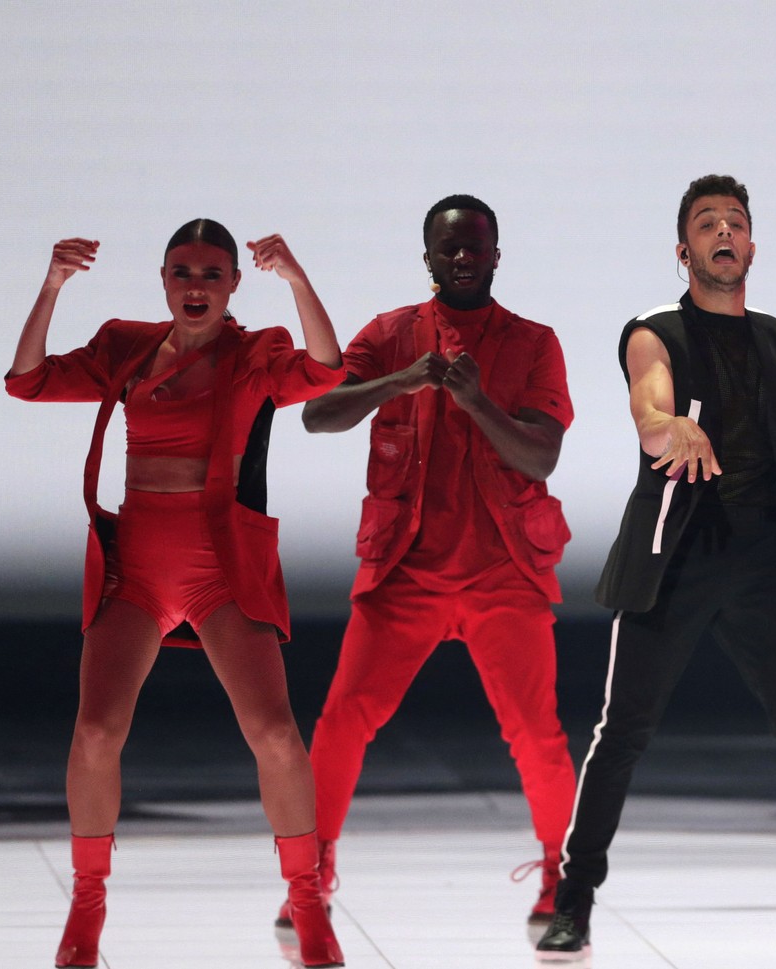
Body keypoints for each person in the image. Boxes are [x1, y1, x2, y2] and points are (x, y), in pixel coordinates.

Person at [534, 174, 776, 962]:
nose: (723, 233)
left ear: (752, 244)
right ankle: (573, 903)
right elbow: (650, 413)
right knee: (622, 730)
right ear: (684, 248)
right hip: (676, 553)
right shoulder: (655, 331)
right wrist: (670, 432)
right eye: (706, 223)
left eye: (735, 222)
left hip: (759, 556)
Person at [5, 221, 347, 968]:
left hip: (221, 568)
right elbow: (26, 380)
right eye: (183, 272)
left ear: (232, 284)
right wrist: (52, 286)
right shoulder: (125, 345)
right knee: (95, 732)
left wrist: (296, 276)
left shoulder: (254, 353)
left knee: (276, 734)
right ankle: (87, 906)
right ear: (164, 279)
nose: (197, 286)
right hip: (139, 568)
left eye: (212, 274)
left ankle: (310, 904)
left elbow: (326, 368)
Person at [291, 195, 577, 926]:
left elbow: (541, 451)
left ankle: (560, 871)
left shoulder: (533, 342)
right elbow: (317, 413)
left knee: (535, 730)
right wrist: (399, 381)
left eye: (474, 247)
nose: (461, 257)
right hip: (404, 572)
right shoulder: (390, 335)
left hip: (504, 570)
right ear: (427, 259)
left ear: (495, 256)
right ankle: (311, 871)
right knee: (343, 718)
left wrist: (478, 404)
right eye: (448, 248)